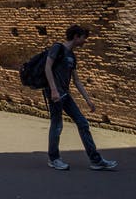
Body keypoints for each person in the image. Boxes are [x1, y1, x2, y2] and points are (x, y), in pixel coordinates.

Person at [43, 25, 117, 171]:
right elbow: (47, 67)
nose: (85, 41)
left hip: (65, 94)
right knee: (57, 125)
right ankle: (54, 158)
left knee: (82, 123)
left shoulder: (72, 56)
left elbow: (76, 80)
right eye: (84, 38)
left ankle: (95, 160)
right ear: (76, 36)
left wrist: (88, 100)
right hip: (55, 94)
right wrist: (53, 90)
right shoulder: (57, 48)